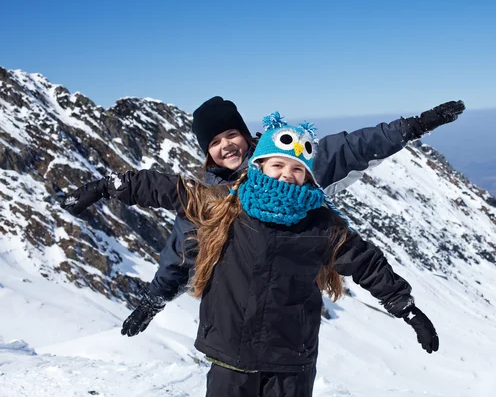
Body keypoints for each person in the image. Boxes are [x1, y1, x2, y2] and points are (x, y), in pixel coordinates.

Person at [67, 114, 440, 396]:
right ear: (259, 166)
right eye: (277, 164)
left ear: (309, 177)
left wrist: (405, 308)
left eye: (297, 169)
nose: (285, 174)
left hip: (291, 363)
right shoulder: (222, 204)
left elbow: (367, 264)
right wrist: (108, 185)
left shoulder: (322, 225)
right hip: (230, 357)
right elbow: (166, 190)